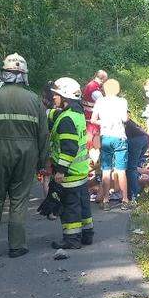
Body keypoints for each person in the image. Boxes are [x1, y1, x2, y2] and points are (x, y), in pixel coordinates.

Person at [0, 54, 48, 261]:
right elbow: (43, 135)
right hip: (27, 153)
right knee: (19, 200)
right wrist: (42, 163)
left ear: (4, 73)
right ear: (24, 75)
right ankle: (17, 247)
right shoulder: (35, 101)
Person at [46, 77, 94, 249]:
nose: (53, 98)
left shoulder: (66, 119)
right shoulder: (77, 113)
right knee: (83, 206)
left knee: (70, 208)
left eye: (56, 95)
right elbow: (55, 114)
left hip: (69, 173)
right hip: (80, 172)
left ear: (65, 96)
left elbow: (69, 149)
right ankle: (87, 235)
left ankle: (72, 240)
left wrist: (60, 171)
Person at [92, 78, 130, 209]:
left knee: (106, 170)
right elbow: (125, 119)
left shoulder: (100, 101)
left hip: (106, 137)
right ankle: (125, 199)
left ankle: (106, 200)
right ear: (117, 89)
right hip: (120, 137)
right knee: (121, 170)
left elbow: (93, 119)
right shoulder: (122, 101)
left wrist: (104, 122)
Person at [124, 118, 149, 203]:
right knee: (134, 166)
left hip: (135, 140)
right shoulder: (129, 120)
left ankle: (133, 195)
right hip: (145, 138)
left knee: (130, 168)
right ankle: (137, 190)